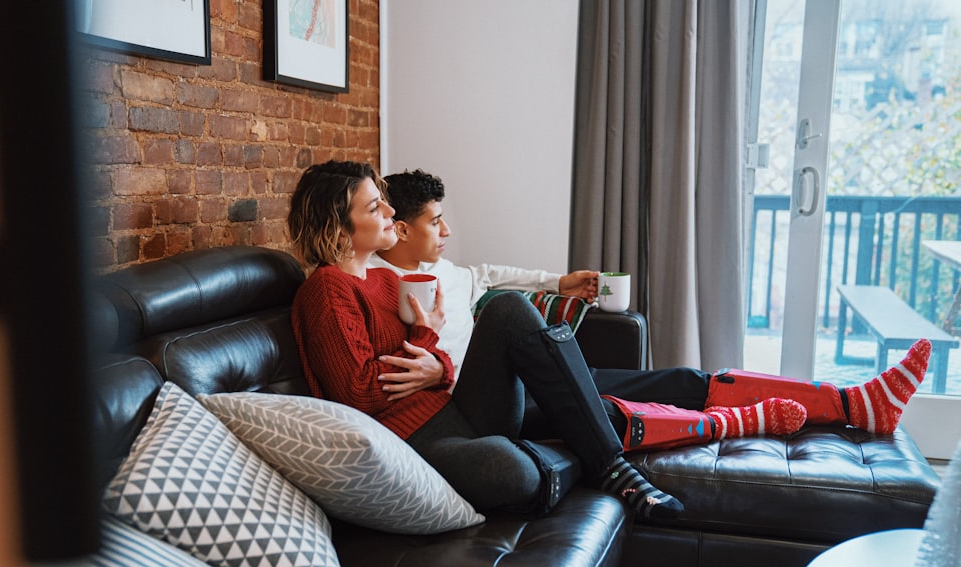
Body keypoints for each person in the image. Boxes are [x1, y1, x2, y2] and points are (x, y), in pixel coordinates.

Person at [370, 168, 933, 448]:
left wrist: (559, 280)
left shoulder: (452, 272)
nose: (447, 230)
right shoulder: (380, 289)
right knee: (622, 404)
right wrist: (437, 368)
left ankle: (851, 402)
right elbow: (386, 380)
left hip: (546, 377)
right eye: (433, 221)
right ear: (398, 229)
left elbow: (490, 275)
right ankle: (752, 420)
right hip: (499, 405)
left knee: (687, 378)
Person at [287, 159, 692, 519]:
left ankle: (610, 466)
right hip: (410, 443)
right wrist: (428, 339)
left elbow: (423, 360)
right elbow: (357, 393)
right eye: (376, 207)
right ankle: (582, 454)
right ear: (339, 228)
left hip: (455, 410)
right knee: (512, 472)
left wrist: (438, 369)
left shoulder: (381, 279)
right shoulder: (327, 290)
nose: (391, 213)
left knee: (510, 308)